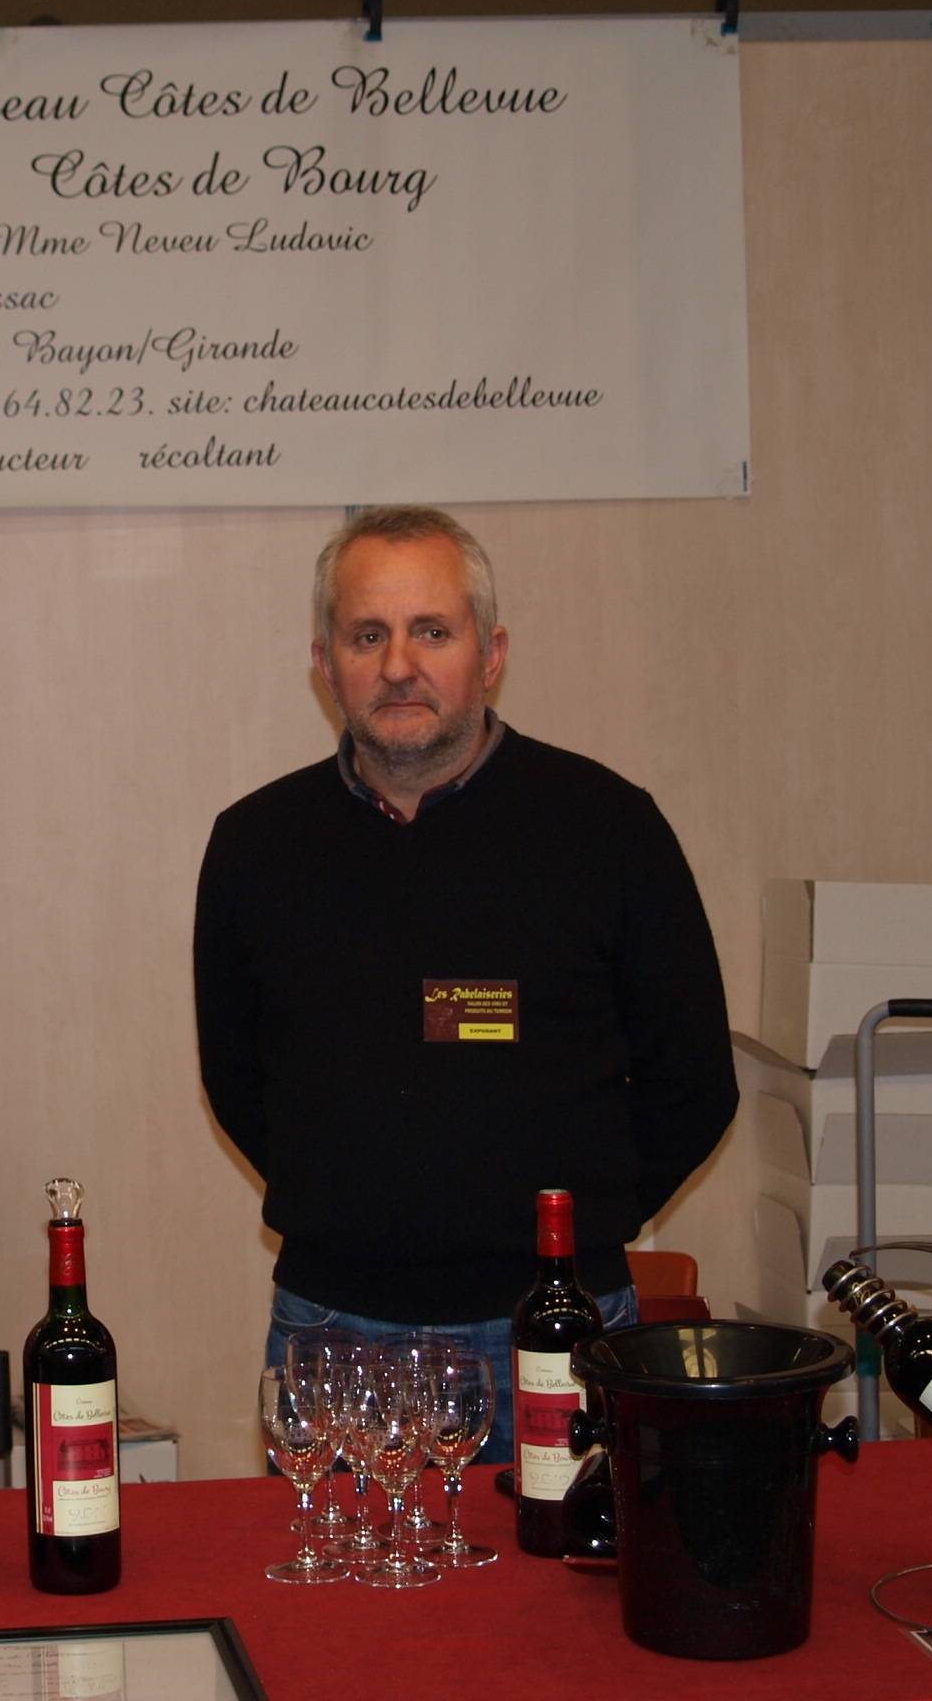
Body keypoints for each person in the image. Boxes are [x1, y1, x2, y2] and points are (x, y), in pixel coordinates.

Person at [194, 506, 737, 1454]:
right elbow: (238, 1081)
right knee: (340, 1561)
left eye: (432, 632)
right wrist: (365, 1207)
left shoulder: (609, 830)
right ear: (325, 663)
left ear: (491, 655)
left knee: (567, 1559)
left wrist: (571, 1229)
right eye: (368, 635)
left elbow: (692, 1084)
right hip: (336, 1330)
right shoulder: (254, 848)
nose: (398, 665)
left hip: (557, 1331)